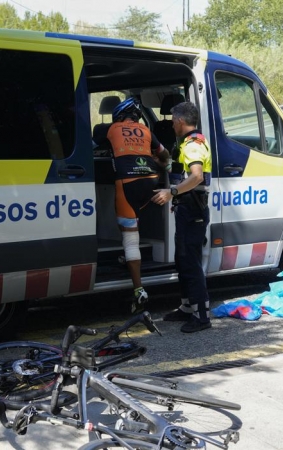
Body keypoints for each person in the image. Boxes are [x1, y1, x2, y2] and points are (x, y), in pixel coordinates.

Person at [151, 101, 213, 333]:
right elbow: (185, 174)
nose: (172, 124)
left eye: (173, 120)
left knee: (191, 261)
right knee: (182, 258)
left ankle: (202, 316)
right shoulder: (189, 142)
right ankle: (188, 307)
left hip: (193, 210)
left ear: (179, 121)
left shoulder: (193, 145)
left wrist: (172, 192)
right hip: (187, 208)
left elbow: (196, 177)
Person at [107, 97, 170, 311]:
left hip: (127, 183)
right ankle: (128, 255)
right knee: (133, 223)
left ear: (118, 116)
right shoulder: (146, 130)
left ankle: (139, 290)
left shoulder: (111, 129)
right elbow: (165, 155)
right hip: (151, 180)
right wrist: (162, 165)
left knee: (129, 234)